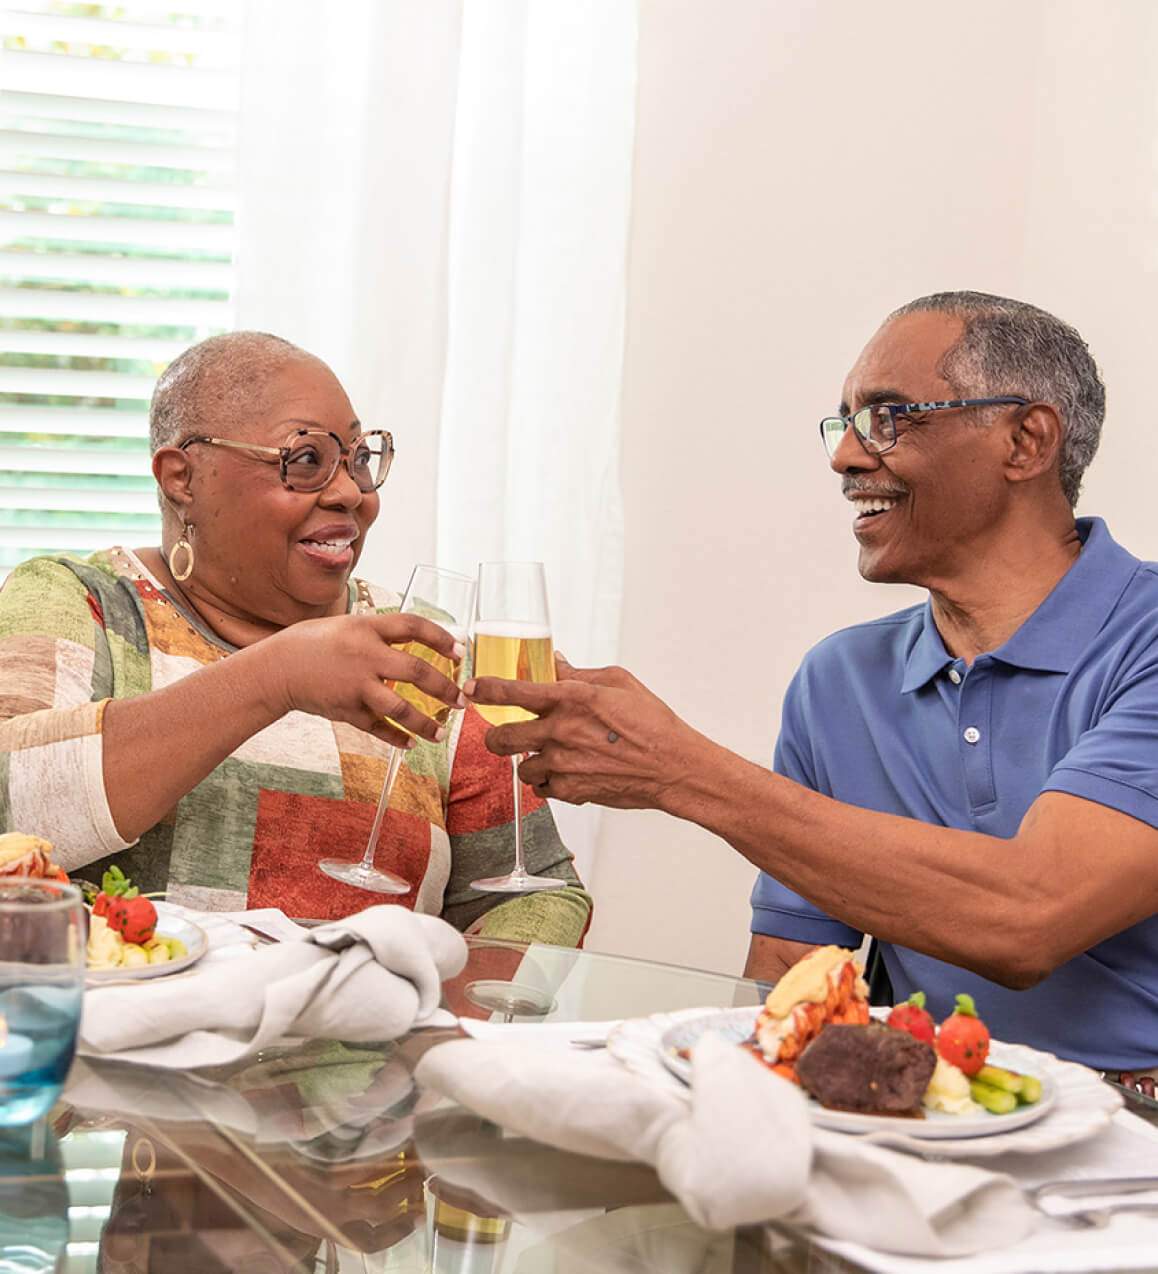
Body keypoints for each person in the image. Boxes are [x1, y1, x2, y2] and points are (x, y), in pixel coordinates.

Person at [465, 291, 1158, 1073]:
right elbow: (789, 974)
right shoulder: (842, 679)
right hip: (918, 1120)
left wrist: (682, 772)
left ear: (1025, 440)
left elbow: (1031, 916)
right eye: (847, 422)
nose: (847, 456)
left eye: (890, 418)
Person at [0, 332, 590, 944]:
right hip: (120, 1032)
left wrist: (439, 1019)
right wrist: (274, 676)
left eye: (359, 459)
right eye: (305, 459)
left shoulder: (418, 647)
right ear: (183, 478)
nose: (350, 493)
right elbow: (12, 805)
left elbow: (537, 895)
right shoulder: (84, 601)